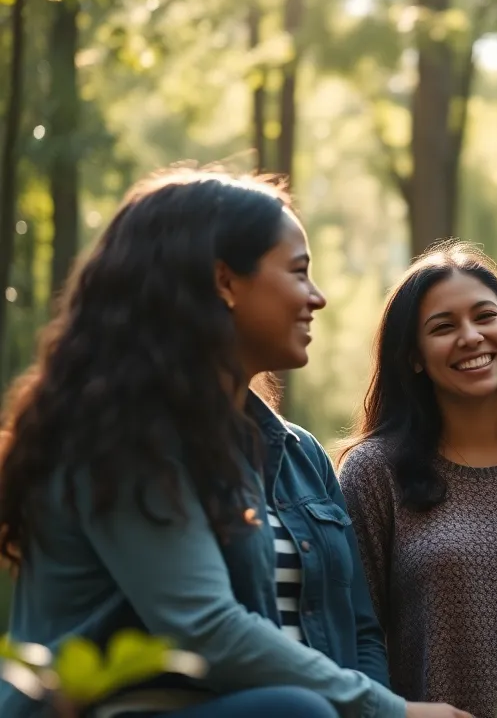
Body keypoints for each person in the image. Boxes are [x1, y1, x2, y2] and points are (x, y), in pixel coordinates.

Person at [0, 170, 468, 717]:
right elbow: (205, 626)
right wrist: (388, 712)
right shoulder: (118, 436)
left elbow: (358, 633)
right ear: (225, 282)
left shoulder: (299, 456)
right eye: (298, 272)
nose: (317, 298)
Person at [337, 242, 497, 718]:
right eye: (443, 327)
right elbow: (357, 635)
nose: (471, 336)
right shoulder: (374, 473)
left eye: (485, 316)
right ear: (414, 356)